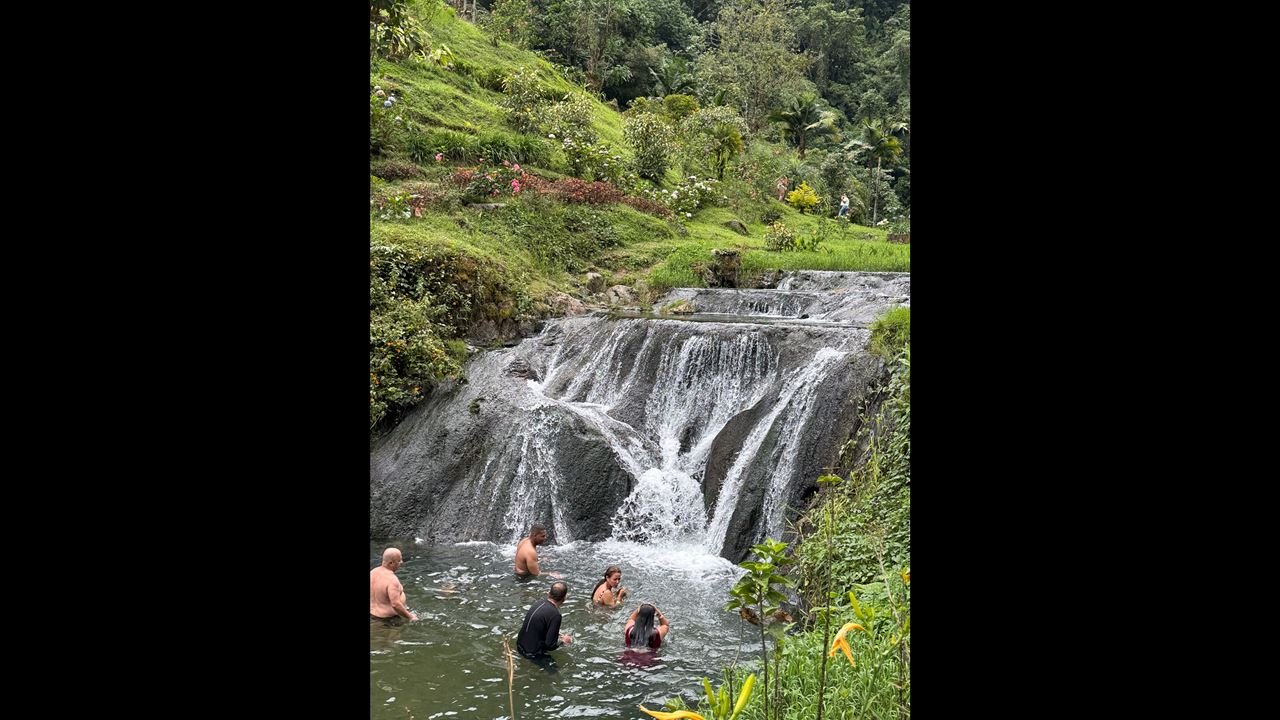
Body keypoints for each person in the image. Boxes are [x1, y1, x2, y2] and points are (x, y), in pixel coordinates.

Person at [517, 581, 573, 660]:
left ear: (549, 593)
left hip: (520, 646)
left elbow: (537, 625)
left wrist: (556, 632)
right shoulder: (555, 615)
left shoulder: (538, 603)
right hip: (532, 653)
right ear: (564, 598)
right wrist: (563, 642)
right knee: (556, 671)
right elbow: (550, 645)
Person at [370, 547, 418, 624]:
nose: (401, 562)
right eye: (399, 561)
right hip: (389, 620)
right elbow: (395, 604)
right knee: (395, 636)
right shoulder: (392, 580)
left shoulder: (372, 572)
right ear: (391, 563)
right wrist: (411, 616)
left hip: (372, 615)